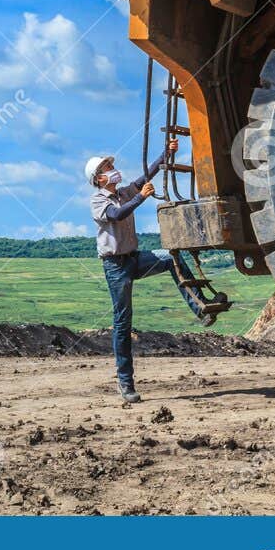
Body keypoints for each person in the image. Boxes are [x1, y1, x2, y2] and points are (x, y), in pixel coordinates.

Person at [85, 139, 189, 404]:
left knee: (171, 258)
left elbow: (146, 175)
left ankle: (199, 306)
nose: (112, 169)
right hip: (116, 266)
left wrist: (167, 153)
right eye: (107, 167)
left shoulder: (123, 191)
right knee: (123, 322)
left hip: (134, 259)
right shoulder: (98, 200)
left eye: (111, 165)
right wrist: (141, 197)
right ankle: (125, 383)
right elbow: (118, 215)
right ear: (98, 178)